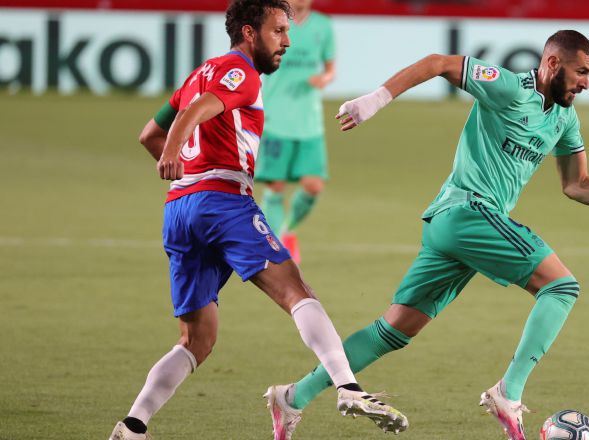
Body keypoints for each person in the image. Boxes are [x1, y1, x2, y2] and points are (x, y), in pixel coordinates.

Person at [265, 30, 589, 440]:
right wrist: (373, 100)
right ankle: (508, 392)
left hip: (453, 227)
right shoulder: (508, 88)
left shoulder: (564, 118)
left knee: (392, 331)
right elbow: (438, 64)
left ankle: (293, 397)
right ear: (552, 63)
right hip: (468, 211)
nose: (587, 83)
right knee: (562, 287)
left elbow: (576, 183)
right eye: (581, 72)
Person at [108, 1, 406, 439]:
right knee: (296, 291)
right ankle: (348, 387)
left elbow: (147, 134)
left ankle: (133, 427)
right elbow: (201, 110)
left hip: (180, 208)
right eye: (278, 30)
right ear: (249, 33)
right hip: (223, 201)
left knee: (197, 339)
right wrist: (175, 152)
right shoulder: (239, 71)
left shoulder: (198, 72)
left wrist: (181, 168)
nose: (287, 41)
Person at [254, 0, 336, 264]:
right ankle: (275, 245)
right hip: (275, 118)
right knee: (275, 186)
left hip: (309, 121)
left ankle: (289, 231)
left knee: (313, 186)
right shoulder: (271, 23)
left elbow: (330, 68)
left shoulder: (323, 26)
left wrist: (324, 79)